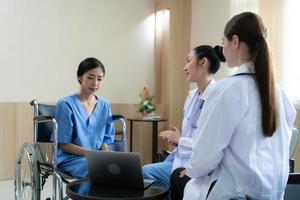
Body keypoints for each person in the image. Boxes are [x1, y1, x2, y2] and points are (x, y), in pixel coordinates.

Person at [170, 12, 296, 200]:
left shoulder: (225, 90)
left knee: (177, 176)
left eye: (224, 41)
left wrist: (192, 169)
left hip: (234, 194)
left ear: (234, 41)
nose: (222, 47)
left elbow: (204, 158)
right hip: (272, 194)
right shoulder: (279, 93)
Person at [142, 45, 224, 187]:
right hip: (180, 155)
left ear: (203, 62)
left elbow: (211, 144)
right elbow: (191, 132)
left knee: (145, 172)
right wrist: (178, 138)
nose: (184, 67)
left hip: (195, 163)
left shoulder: (217, 98)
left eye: (188, 61)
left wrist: (180, 140)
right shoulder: (191, 96)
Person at [55, 57, 115, 178]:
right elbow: (63, 144)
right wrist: (92, 155)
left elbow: (105, 140)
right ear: (80, 77)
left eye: (99, 79)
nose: (95, 83)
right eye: (90, 77)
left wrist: (106, 155)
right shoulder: (66, 104)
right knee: (98, 170)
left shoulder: (104, 106)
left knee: (118, 170)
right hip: (70, 158)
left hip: (96, 158)